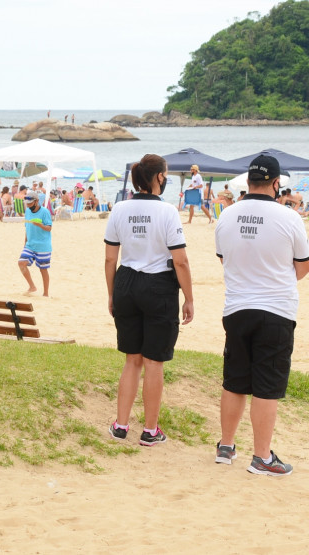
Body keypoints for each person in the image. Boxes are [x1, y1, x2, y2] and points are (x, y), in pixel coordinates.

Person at [213, 155, 309, 476]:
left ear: (248, 182)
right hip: (276, 309)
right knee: (267, 385)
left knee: (235, 381)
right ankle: (262, 457)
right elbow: (304, 265)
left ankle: (226, 446)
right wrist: (276, 278)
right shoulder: (288, 217)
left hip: (237, 307)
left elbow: (224, 259)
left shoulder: (227, 215)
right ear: (275, 183)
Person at [104, 154, 194, 445]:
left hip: (126, 282)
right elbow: (180, 261)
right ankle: (150, 430)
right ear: (158, 177)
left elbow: (110, 258)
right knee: (154, 362)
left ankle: (120, 425)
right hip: (158, 286)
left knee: (132, 360)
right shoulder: (167, 212)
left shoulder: (119, 208)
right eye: (165, 174)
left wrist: (111, 293)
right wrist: (189, 298)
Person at [18, 191, 52, 297]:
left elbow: (49, 228)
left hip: (43, 245)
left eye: (30, 203)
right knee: (21, 263)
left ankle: (45, 293)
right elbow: (27, 228)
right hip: (30, 244)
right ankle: (32, 286)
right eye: (27, 203)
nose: (28, 205)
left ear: (36, 201)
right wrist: (25, 242)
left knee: (43, 269)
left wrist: (40, 225)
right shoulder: (28, 211)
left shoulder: (45, 212)